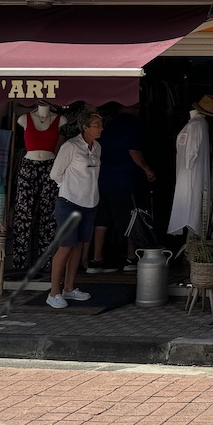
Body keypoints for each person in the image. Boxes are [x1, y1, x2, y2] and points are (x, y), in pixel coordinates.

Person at [86, 103, 155, 273]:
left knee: (103, 219)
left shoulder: (109, 124)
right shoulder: (133, 125)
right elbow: (134, 152)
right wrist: (147, 170)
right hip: (126, 179)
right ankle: (131, 259)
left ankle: (96, 260)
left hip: (105, 178)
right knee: (132, 218)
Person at [46, 111, 102, 309]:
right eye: (96, 125)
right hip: (70, 201)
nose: (100, 128)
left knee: (79, 245)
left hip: (90, 202)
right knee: (66, 246)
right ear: (85, 127)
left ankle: (69, 288)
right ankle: (54, 292)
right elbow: (55, 174)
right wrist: (70, 188)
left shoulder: (97, 147)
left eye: (100, 125)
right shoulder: (70, 146)